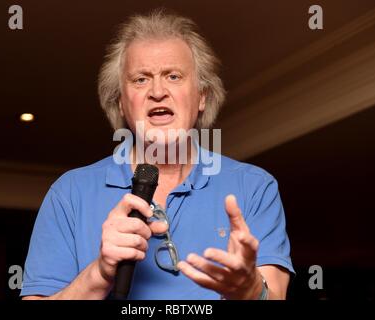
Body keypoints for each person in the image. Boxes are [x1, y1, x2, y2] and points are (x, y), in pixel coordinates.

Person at [21, 9, 294, 300]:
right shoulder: (69, 193)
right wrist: (99, 274)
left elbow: (274, 293)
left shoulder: (254, 187)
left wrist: (251, 289)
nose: (157, 91)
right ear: (121, 103)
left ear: (202, 96)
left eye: (173, 76)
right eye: (140, 79)